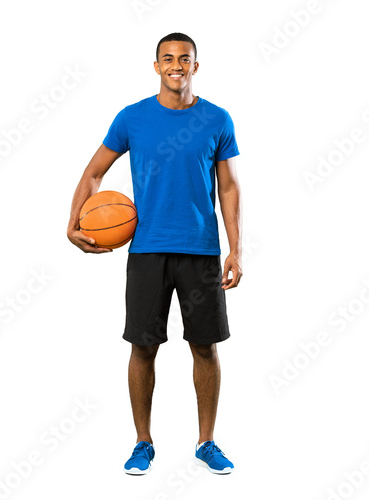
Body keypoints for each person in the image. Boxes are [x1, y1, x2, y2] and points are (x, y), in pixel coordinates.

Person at [67, 32, 242, 475]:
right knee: (142, 347)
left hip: (201, 251)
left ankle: (206, 442)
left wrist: (236, 249)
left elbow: (229, 187)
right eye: (168, 58)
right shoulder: (132, 118)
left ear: (196, 67)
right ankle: (143, 443)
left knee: (205, 347)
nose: (176, 65)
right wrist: (73, 223)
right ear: (156, 65)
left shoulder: (218, 119)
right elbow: (93, 173)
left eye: (185, 59)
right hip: (146, 251)